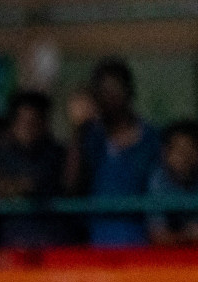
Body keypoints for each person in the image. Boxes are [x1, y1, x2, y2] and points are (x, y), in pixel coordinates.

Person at [64, 58, 161, 246]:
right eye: (103, 92)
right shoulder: (89, 137)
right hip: (96, 244)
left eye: (115, 89)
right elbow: (70, 186)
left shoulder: (152, 138)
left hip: (142, 245)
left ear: (130, 91)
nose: (110, 98)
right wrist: (77, 129)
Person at [0, 90, 73, 248]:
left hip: (54, 248)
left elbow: (54, 183)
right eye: (24, 122)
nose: (29, 129)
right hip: (9, 249)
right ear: (13, 124)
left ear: (45, 124)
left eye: (35, 122)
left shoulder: (56, 154)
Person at [146, 120, 198, 245]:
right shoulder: (158, 178)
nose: (185, 157)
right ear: (165, 153)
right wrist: (188, 235)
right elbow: (157, 236)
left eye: (190, 149)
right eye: (178, 150)